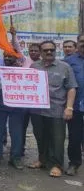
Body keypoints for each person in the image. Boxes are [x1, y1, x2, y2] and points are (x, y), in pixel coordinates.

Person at [29, 40, 77, 177]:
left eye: (52, 50)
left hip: (57, 109)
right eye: (45, 50)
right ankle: (42, 160)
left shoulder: (65, 67)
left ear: (56, 51)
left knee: (57, 139)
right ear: (41, 52)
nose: (49, 52)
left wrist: (69, 107)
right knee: (40, 136)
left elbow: (71, 88)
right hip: (37, 110)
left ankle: (57, 165)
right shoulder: (34, 66)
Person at [0, 52, 26, 170]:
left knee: (16, 133)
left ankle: (15, 158)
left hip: (17, 106)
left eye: (10, 56)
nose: (7, 58)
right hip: (1, 105)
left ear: (15, 58)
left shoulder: (22, 71)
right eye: (5, 56)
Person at [63, 35, 84, 175]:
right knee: (75, 136)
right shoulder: (68, 61)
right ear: (78, 44)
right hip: (75, 105)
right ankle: (74, 163)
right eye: (82, 41)